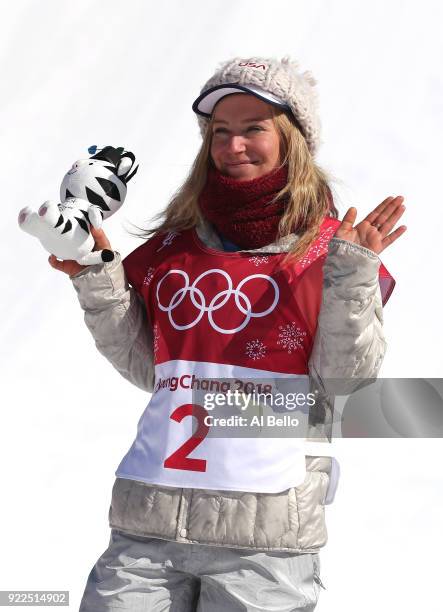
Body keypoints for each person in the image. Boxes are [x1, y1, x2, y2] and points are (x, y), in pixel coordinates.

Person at [49, 56, 406, 611]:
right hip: (147, 526)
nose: (233, 145)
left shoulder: (332, 250)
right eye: (220, 132)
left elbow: (342, 389)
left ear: (292, 140)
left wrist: (352, 274)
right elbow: (150, 367)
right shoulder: (174, 247)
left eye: (254, 128)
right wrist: (97, 279)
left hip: (263, 543)